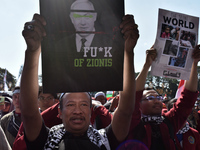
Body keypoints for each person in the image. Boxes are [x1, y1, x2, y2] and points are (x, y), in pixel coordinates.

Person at [20, 13, 139, 150]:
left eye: (83, 104)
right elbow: (29, 112)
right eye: (70, 105)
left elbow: (125, 111)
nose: (77, 111)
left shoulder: (106, 139)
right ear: (59, 111)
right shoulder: (45, 139)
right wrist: (32, 51)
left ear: (90, 111)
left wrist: (128, 52)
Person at [128, 44, 200, 150]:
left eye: (158, 98)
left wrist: (193, 64)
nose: (157, 101)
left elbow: (188, 99)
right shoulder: (131, 123)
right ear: (138, 104)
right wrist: (147, 65)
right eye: (150, 98)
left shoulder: (168, 122)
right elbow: (131, 97)